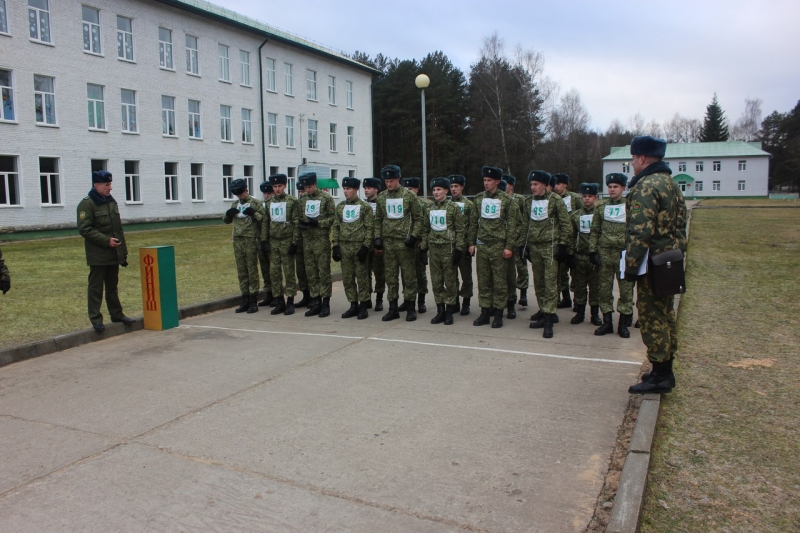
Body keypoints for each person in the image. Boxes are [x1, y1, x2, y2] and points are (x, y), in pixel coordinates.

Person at [625, 135, 686, 394]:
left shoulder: (646, 186)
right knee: (666, 313)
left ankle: (660, 376)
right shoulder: (671, 184)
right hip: (670, 261)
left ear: (641, 158)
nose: (632, 164)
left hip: (651, 264)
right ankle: (665, 370)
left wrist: (630, 265)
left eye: (632, 159)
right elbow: (681, 224)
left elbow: (641, 232)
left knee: (652, 317)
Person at [76, 170, 134, 332]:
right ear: (97, 185)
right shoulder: (87, 204)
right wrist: (106, 241)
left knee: (112, 286)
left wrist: (123, 252)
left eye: (110, 184)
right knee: (95, 288)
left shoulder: (111, 202)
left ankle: (117, 314)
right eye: (107, 185)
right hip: (98, 254)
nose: (110, 188)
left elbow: (118, 230)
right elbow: (84, 229)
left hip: (113, 253)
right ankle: (96, 319)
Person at [520, 170, 571, 338]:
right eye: (531, 184)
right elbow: (525, 224)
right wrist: (524, 245)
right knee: (539, 282)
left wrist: (563, 245)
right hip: (535, 248)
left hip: (550, 248)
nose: (532, 187)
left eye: (535, 184)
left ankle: (549, 319)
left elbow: (566, 224)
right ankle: (543, 310)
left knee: (550, 284)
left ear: (544, 185)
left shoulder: (555, 200)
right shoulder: (528, 202)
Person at [469, 166, 519, 328]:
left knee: (499, 281)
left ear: (497, 181)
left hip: (499, 246)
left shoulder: (507, 200)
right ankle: (485, 312)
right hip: (483, 246)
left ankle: (498, 313)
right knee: (483, 281)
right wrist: (471, 243)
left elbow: (512, 226)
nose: (486, 183)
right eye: (484, 180)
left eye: (489, 180)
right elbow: (473, 223)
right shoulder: (478, 199)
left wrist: (509, 246)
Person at [374, 165, 423, 321]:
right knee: (391, 276)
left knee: (408, 276)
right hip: (389, 243)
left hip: (405, 243)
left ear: (398, 179)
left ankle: (410, 307)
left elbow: (418, 218)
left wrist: (414, 236)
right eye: (386, 181)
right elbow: (378, 219)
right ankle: (393, 307)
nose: (389, 184)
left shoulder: (409, 196)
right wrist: (378, 237)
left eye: (391, 181)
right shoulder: (381, 197)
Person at [590, 173, 635, 338]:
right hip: (605, 253)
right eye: (609, 187)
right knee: (604, 289)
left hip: (623, 254)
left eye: (615, 187)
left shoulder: (630, 207)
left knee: (626, 290)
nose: (612, 189)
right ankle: (607, 322)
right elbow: (594, 230)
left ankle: (623, 324)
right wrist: (592, 250)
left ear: (623, 188)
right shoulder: (601, 208)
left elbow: (635, 230)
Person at [421, 177, 466, 325]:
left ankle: (449, 311)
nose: (436, 192)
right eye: (434, 190)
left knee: (450, 281)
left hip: (449, 249)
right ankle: (440, 310)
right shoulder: (428, 209)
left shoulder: (453, 208)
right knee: (437, 281)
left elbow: (460, 229)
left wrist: (459, 249)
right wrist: (423, 248)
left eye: (439, 189)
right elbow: (426, 229)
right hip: (434, 249)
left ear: (446, 191)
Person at [331, 177, 374, 319]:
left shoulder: (365, 207)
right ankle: (353, 304)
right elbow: (336, 227)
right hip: (344, 247)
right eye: (344, 189)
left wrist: (366, 246)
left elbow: (369, 228)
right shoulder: (340, 207)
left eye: (348, 189)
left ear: (356, 190)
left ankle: (363, 305)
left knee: (362, 277)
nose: (345, 191)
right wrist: (335, 245)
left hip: (359, 246)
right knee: (348, 278)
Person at [223, 178, 266, 314]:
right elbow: (226, 220)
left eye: (241, 194)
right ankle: (245, 299)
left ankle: (253, 300)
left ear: (246, 191)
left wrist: (254, 213)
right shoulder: (235, 204)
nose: (240, 197)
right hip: (238, 240)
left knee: (251, 270)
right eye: (237, 195)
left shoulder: (255, 203)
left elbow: (264, 219)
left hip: (251, 239)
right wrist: (228, 214)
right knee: (242, 271)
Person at [297, 172, 335, 318]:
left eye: (309, 186)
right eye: (305, 187)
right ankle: (315, 301)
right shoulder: (303, 199)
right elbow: (299, 216)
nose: (307, 190)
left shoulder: (326, 198)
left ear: (315, 184)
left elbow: (332, 218)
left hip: (321, 240)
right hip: (307, 240)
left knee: (323, 272)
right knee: (311, 273)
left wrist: (318, 223)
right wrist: (302, 224)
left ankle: (326, 303)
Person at [263, 173, 301, 315]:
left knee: (289, 272)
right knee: (274, 272)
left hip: (287, 241)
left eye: (279, 186)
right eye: (275, 186)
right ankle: (279, 301)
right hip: (273, 242)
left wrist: (294, 242)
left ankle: (290, 301)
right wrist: (264, 240)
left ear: (285, 186)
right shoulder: (269, 203)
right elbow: (266, 223)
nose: (277, 189)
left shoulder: (292, 201)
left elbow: (296, 223)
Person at [570, 183, 602, 325]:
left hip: (594, 257)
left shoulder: (600, 214)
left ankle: (594, 314)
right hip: (580, 255)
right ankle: (580, 312)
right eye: (584, 196)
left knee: (595, 287)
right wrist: (570, 254)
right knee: (580, 286)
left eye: (590, 196)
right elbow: (571, 235)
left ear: (595, 197)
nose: (587, 199)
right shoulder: (576, 215)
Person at [401, 177, 430, 313]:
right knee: (406, 274)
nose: (409, 192)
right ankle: (407, 299)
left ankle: (421, 301)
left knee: (420, 274)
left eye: (411, 189)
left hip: (418, 243)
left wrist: (424, 243)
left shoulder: (425, 205)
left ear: (417, 190)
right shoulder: (403, 203)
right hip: (406, 243)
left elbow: (426, 226)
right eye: (407, 189)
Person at [553, 173, 582, 310]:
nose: (556, 187)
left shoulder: (575, 198)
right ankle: (565, 298)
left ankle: (578, 300)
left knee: (575, 273)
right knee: (561, 272)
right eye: (555, 184)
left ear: (565, 184)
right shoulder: (554, 199)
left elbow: (581, 215)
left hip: (574, 241)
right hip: (561, 240)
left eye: (558, 184)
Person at [448, 175, 476, 316]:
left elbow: (472, 226)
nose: (453, 189)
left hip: (464, 245)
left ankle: (466, 302)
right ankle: (454, 302)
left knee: (466, 275)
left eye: (456, 186)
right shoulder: (446, 205)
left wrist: (471, 244)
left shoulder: (469, 205)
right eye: (451, 187)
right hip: (450, 245)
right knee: (451, 275)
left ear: (462, 187)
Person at [503, 174, 528, 318]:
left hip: (518, 240)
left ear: (511, 186)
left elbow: (524, 220)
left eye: (506, 184)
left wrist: (522, 239)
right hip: (504, 241)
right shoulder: (499, 200)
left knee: (521, 268)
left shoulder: (520, 200)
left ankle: (523, 294)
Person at [363, 177, 385, 311]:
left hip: (378, 243)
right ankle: (367, 298)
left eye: (369, 188)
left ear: (376, 189)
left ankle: (379, 299)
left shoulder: (381, 204)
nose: (366, 190)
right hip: (366, 243)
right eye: (365, 188)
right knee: (365, 272)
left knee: (379, 272)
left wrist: (380, 243)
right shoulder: (363, 205)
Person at [257, 181, 277, 307]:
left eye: (269, 192)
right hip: (261, 240)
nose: (266, 195)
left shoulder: (275, 205)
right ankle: (268, 294)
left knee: (274, 270)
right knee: (265, 269)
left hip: (273, 240)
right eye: (264, 193)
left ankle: (276, 295)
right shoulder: (261, 206)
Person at [294, 182, 311, 308]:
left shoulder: (310, 202)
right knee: (300, 270)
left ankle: (314, 296)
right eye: (299, 191)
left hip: (310, 239)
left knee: (310, 269)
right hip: (298, 241)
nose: (301, 194)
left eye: (303, 191)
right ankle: (305, 295)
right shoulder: (297, 204)